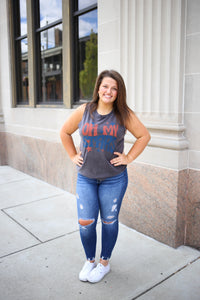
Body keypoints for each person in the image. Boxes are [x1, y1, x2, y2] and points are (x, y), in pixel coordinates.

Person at [60, 70, 151, 283]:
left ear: (119, 92)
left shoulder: (123, 114)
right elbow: (64, 132)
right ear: (98, 88)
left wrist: (128, 157)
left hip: (114, 179)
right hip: (86, 177)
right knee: (86, 222)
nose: (108, 91)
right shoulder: (85, 110)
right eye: (105, 86)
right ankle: (90, 260)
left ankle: (104, 263)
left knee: (109, 221)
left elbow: (144, 136)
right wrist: (73, 155)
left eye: (114, 88)